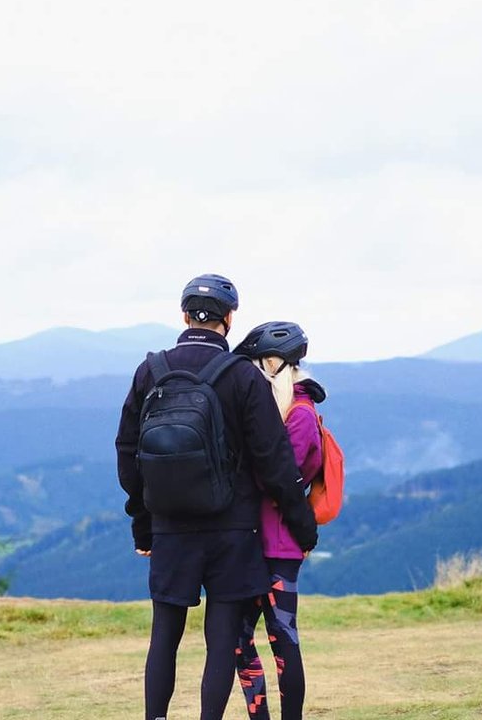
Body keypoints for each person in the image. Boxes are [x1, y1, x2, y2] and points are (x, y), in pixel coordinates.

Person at [116, 274, 319, 720]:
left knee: (163, 638)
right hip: (233, 529)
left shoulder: (150, 370)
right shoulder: (242, 376)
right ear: (229, 319)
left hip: (170, 527)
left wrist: (143, 523)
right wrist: (303, 525)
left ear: (184, 315)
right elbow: (274, 460)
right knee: (221, 640)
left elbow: (129, 453)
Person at [230, 321, 324, 720]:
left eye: (254, 364)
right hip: (254, 544)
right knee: (237, 639)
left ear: (272, 363)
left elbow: (279, 478)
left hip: (280, 546)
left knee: (283, 638)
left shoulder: (300, 415)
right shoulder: (280, 411)